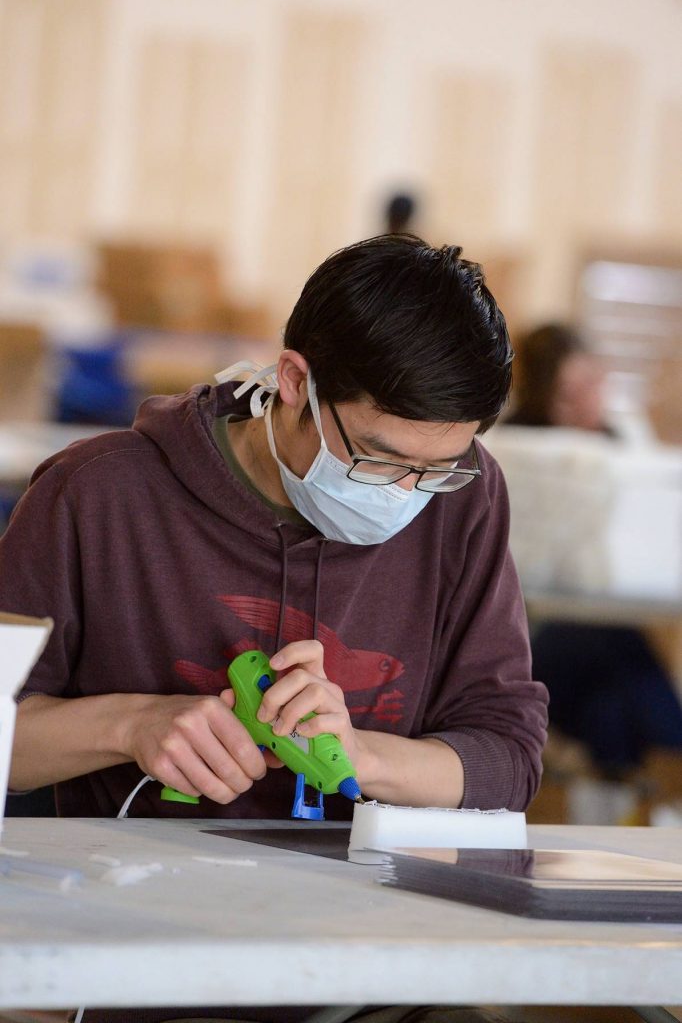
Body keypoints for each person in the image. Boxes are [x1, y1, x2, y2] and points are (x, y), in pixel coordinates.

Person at [1, 235, 547, 1023]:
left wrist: (362, 754)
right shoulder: (97, 495)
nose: (407, 495)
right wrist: (132, 724)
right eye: (380, 461)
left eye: (440, 469)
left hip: (377, 968)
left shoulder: (465, 498)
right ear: (295, 381)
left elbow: (508, 760)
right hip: (143, 959)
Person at [506, 322, 682, 775]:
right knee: (612, 648)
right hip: (532, 634)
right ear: (544, 394)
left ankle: (632, 780)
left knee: (611, 700)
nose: (589, 401)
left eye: (593, 384)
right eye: (571, 392)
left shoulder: (623, 442)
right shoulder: (514, 447)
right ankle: (669, 763)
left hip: (600, 635)